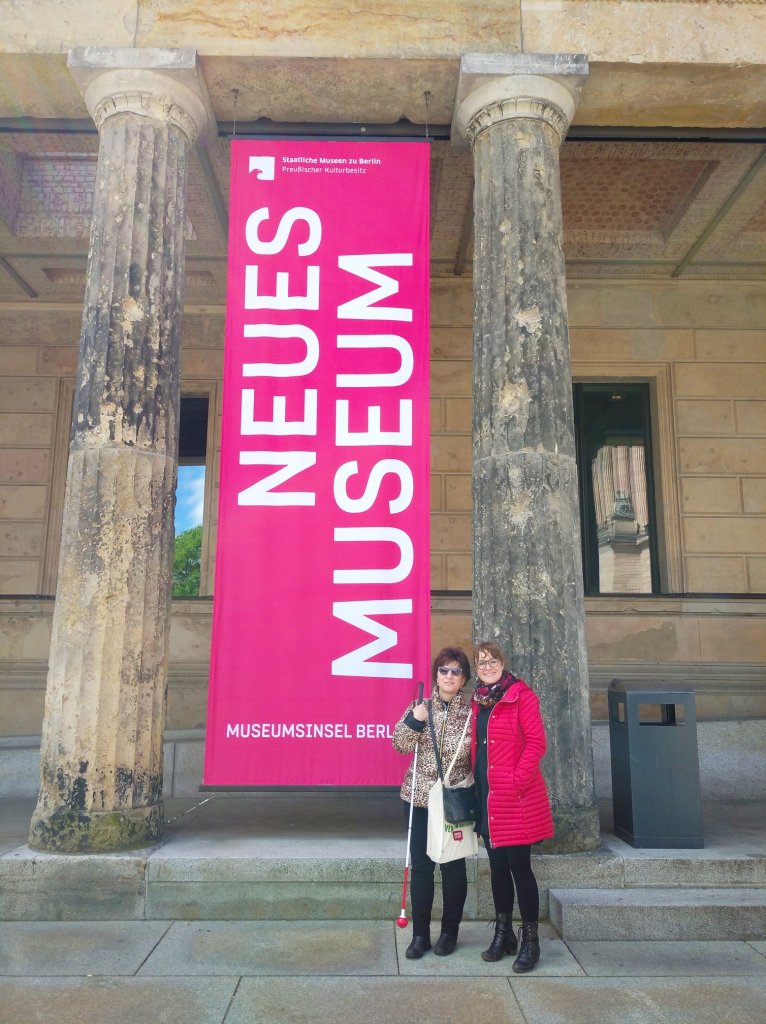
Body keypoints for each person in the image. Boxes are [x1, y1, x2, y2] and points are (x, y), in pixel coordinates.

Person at [471, 640, 554, 973]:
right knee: (497, 868)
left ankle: (530, 940)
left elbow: (536, 743)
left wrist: (516, 781)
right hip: (487, 799)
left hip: (514, 798)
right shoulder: (478, 702)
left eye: (493, 661)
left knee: (520, 868)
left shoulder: (522, 696)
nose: (488, 667)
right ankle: (503, 934)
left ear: (503, 664)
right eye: (481, 663)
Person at [392, 646, 473, 959]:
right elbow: (400, 745)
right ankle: (420, 935)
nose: (449, 676)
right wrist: (415, 720)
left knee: (453, 867)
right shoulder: (420, 706)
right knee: (422, 868)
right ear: (436, 675)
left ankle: (449, 932)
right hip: (420, 799)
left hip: (454, 801)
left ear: (464, 678)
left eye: (455, 671)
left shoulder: (472, 713)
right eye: (443, 670)